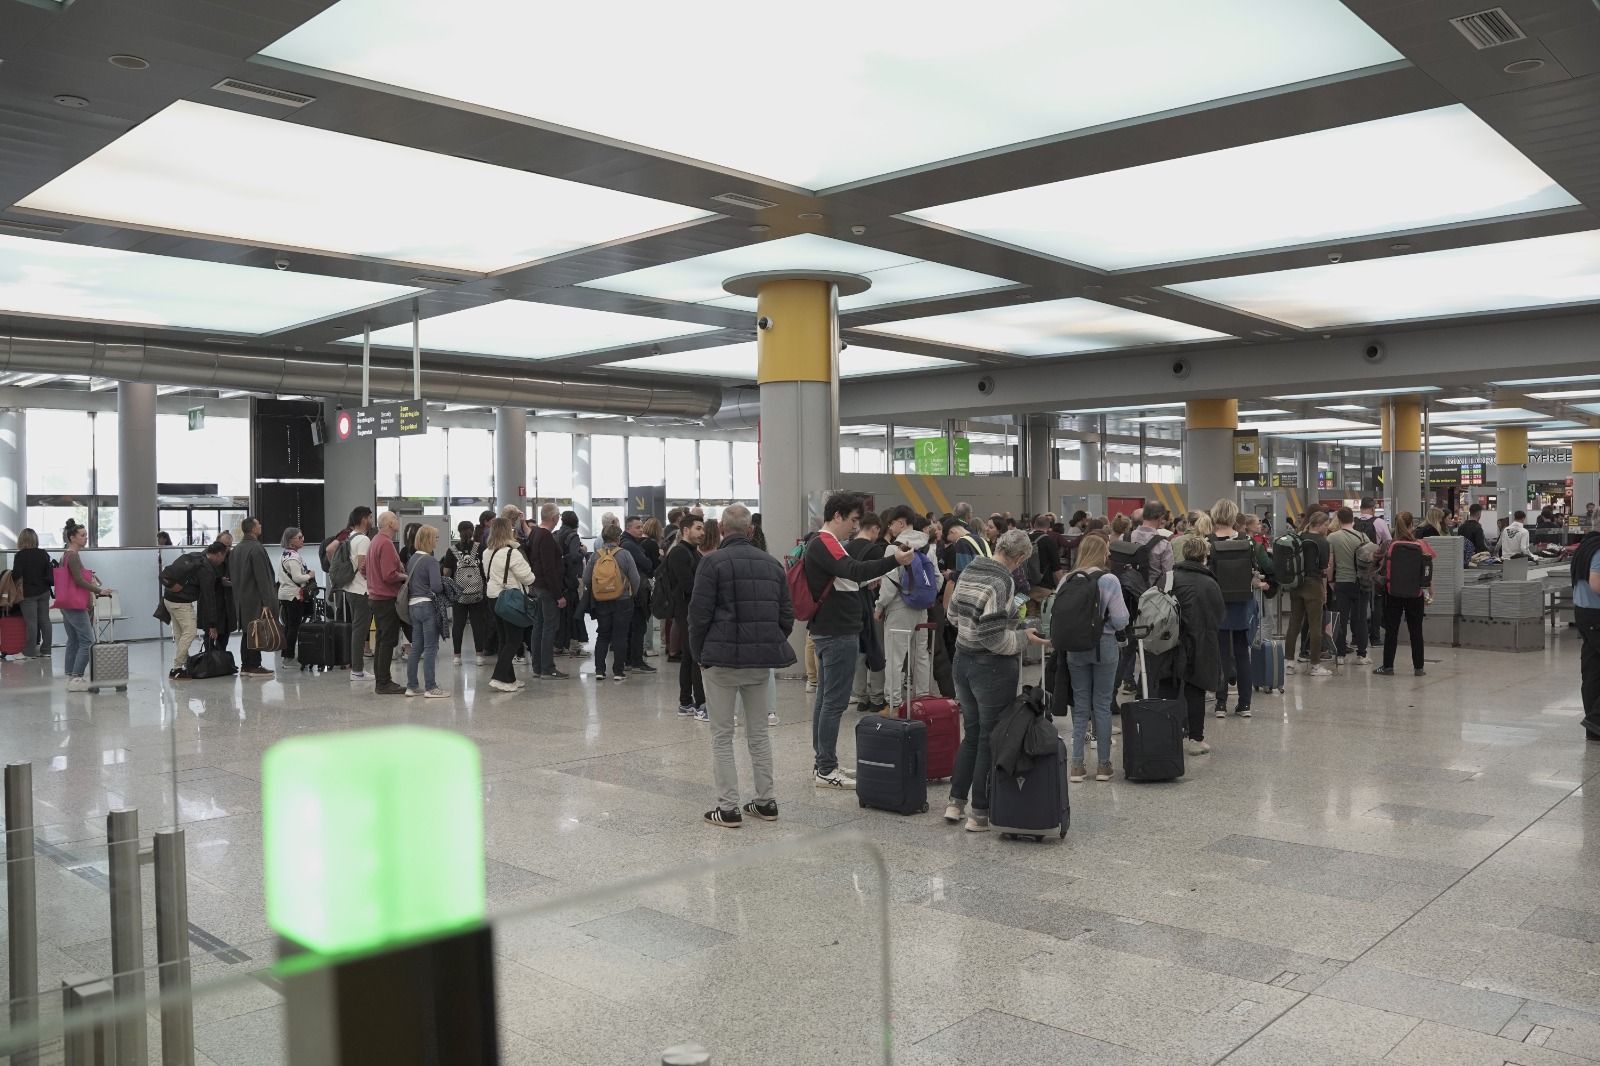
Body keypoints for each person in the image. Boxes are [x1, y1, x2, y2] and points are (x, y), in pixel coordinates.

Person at [689, 504, 791, 827]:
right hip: (759, 663)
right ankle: (766, 801)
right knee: (758, 733)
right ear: (750, 531)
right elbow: (786, 617)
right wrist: (766, 641)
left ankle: (729, 807)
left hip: (719, 662)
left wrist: (699, 654)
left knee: (722, 735)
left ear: (720, 529)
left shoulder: (711, 563)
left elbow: (698, 615)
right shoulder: (773, 565)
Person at [802, 493, 913, 790]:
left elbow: (847, 578)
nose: (854, 527)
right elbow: (853, 569)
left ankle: (824, 762)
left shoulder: (828, 543)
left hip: (833, 629)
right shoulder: (825, 541)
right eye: (852, 520)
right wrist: (894, 560)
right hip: (837, 632)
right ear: (837, 516)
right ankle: (826, 768)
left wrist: (864, 581)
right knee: (833, 703)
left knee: (826, 701)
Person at [945, 528, 1049, 830]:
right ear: (1020, 557)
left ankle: (955, 803)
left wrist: (974, 626)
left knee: (973, 733)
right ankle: (979, 812)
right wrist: (1023, 638)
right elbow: (993, 638)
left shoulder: (972, 567)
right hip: (989, 668)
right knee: (992, 737)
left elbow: (952, 614)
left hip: (961, 660)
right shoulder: (1003, 579)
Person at [1060, 534, 1130, 784]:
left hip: (1075, 649)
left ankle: (1077, 766)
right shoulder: (1109, 579)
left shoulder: (1068, 579)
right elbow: (1122, 620)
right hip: (1105, 646)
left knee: (1080, 707)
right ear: (1103, 553)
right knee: (1101, 705)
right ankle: (1103, 766)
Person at [1161, 535, 1225, 756]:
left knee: (1167, 688)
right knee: (1195, 690)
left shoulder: (1168, 578)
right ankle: (1195, 739)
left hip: (1168, 642)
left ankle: (1167, 734)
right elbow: (1219, 615)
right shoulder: (1210, 582)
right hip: (1200, 642)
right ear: (1204, 557)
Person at [1208, 499, 1269, 717]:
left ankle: (1220, 703)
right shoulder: (1247, 541)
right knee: (1243, 654)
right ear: (1235, 516)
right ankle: (1244, 705)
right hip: (1243, 602)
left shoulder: (1209, 542)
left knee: (1222, 654)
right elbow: (1255, 572)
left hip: (1218, 604)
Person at [877, 524, 935, 710]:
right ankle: (923, 699)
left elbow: (889, 585)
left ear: (900, 523)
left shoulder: (894, 549)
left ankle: (894, 704)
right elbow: (938, 579)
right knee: (921, 655)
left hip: (899, 609)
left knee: (895, 657)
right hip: (922, 609)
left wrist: (879, 607)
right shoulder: (924, 551)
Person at [1375, 512, 1437, 677]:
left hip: (1392, 592)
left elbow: (1379, 564)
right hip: (1415, 594)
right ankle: (1419, 668)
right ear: (1412, 525)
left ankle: (1388, 667)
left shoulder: (1389, 544)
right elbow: (1427, 572)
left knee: (1391, 631)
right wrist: (1431, 592)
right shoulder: (1422, 544)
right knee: (1416, 631)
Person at [57, 519, 112, 690]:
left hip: (66, 603)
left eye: (86, 534)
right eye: (82, 535)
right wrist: (98, 590)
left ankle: (70, 675)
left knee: (73, 639)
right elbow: (78, 580)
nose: (86, 538)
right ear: (72, 537)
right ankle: (77, 677)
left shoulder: (65, 555)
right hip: (74, 604)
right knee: (88, 640)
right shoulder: (73, 555)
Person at [664, 512, 708, 718]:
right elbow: (689, 585)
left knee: (690, 656)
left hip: (690, 610)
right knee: (695, 656)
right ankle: (701, 703)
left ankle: (686, 702)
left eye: (703, 528)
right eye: (698, 528)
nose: (702, 532)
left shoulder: (693, 552)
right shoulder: (680, 553)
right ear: (685, 530)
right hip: (687, 611)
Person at [485, 517, 534, 692]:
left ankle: (509, 679)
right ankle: (498, 677)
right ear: (508, 531)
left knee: (504, 639)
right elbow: (529, 577)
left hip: (493, 597)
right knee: (514, 639)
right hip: (509, 599)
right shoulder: (512, 553)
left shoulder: (488, 552)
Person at [587, 523, 641, 682]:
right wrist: (631, 593)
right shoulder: (624, 554)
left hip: (602, 600)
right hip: (622, 600)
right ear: (618, 538)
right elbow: (635, 578)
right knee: (620, 636)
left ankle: (599, 670)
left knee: (603, 635)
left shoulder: (595, 555)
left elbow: (586, 578)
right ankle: (618, 671)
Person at [847, 513, 889, 715]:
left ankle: (861, 697)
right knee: (875, 649)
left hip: (850, 605)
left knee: (858, 652)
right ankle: (877, 697)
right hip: (871, 605)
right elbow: (881, 580)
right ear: (874, 529)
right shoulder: (875, 550)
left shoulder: (845, 548)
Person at [523, 503, 569, 681]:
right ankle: (548, 668)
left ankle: (538, 666)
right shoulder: (546, 536)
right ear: (554, 518)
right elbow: (549, 567)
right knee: (549, 627)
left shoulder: (535, 533)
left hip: (538, 585)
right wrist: (559, 594)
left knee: (539, 626)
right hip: (548, 588)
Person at [1285, 510, 1334, 677]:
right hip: (1313, 584)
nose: (1327, 528)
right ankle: (1315, 665)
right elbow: (1324, 568)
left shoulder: (1298, 537)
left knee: (1294, 624)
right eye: (1326, 525)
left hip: (1296, 584)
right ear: (1319, 525)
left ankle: (1289, 663)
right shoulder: (1322, 542)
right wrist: (1325, 589)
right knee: (1315, 626)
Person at [228, 517, 277, 678]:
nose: (261, 526)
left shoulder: (236, 550)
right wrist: (267, 601)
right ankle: (254, 665)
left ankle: (246, 665)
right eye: (259, 524)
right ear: (253, 529)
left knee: (247, 631)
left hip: (241, 598)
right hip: (255, 597)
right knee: (256, 630)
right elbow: (262, 577)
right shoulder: (256, 548)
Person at [365, 511, 408, 695]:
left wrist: (374, 582)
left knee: (382, 640)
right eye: (395, 519)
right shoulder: (386, 543)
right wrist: (406, 576)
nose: (398, 522)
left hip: (375, 597)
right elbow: (389, 575)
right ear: (390, 523)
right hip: (386, 599)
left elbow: (362, 569)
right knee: (387, 641)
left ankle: (381, 680)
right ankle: (384, 682)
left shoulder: (374, 541)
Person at [403, 525, 448, 698]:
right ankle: (431, 687)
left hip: (413, 606)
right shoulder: (431, 561)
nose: (437, 541)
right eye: (435, 538)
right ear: (428, 540)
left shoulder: (412, 559)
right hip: (427, 606)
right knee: (431, 647)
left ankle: (411, 686)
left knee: (416, 648)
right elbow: (436, 587)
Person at [1327, 507, 1374, 668]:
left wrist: (1331, 581)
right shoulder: (1363, 536)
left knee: (1341, 619)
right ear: (1353, 519)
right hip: (1360, 584)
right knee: (1360, 619)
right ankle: (1362, 654)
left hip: (1341, 583)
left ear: (1338, 519)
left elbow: (1330, 563)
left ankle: (1340, 654)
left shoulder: (1332, 538)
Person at [445, 522, 490, 666]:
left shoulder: (452, 550)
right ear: (472, 531)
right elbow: (486, 569)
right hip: (478, 592)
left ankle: (457, 656)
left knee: (458, 624)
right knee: (478, 623)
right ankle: (479, 656)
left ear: (459, 532)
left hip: (459, 593)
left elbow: (446, 572)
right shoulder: (481, 548)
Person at [339, 507, 375, 681]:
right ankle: (357, 670)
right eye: (369, 516)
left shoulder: (350, 537)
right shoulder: (363, 539)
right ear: (363, 519)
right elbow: (363, 566)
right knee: (360, 631)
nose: (371, 519)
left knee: (357, 629)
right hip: (362, 590)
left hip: (351, 588)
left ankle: (357, 668)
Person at [619, 516, 657, 674]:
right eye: (637, 527)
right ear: (628, 529)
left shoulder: (624, 543)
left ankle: (629, 660)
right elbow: (647, 564)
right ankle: (636, 661)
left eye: (642, 527)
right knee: (638, 626)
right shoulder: (631, 545)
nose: (641, 530)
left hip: (628, 591)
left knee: (631, 627)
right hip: (637, 591)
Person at [1572, 529, 1600, 741]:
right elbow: (1596, 583)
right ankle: (1596, 719)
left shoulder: (1586, 546)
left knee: (1592, 671)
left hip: (1583, 613)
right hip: (1597, 615)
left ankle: (1594, 731)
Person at [11, 528, 53, 660]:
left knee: (31, 623)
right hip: (44, 591)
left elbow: (16, 575)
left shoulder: (20, 555)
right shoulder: (43, 553)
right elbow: (49, 573)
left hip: (28, 593)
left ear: (21, 540)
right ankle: (46, 650)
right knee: (45, 621)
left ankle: (29, 652)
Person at [277, 527, 315, 661]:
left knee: (289, 625)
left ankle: (286, 653)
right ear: (290, 541)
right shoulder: (292, 557)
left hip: (286, 594)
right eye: (299, 537)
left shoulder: (286, 554)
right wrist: (309, 575)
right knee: (293, 626)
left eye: (302, 536)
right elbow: (298, 577)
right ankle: (288, 654)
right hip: (293, 595)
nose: (302, 539)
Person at [554, 511, 586, 658]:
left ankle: (559, 644)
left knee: (561, 614)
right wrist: (583, 552)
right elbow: (574, 556)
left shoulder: (557, 534)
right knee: (574, 612)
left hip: (559, 579)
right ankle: (575, 646)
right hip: (571, 578)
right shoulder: (573, 536)